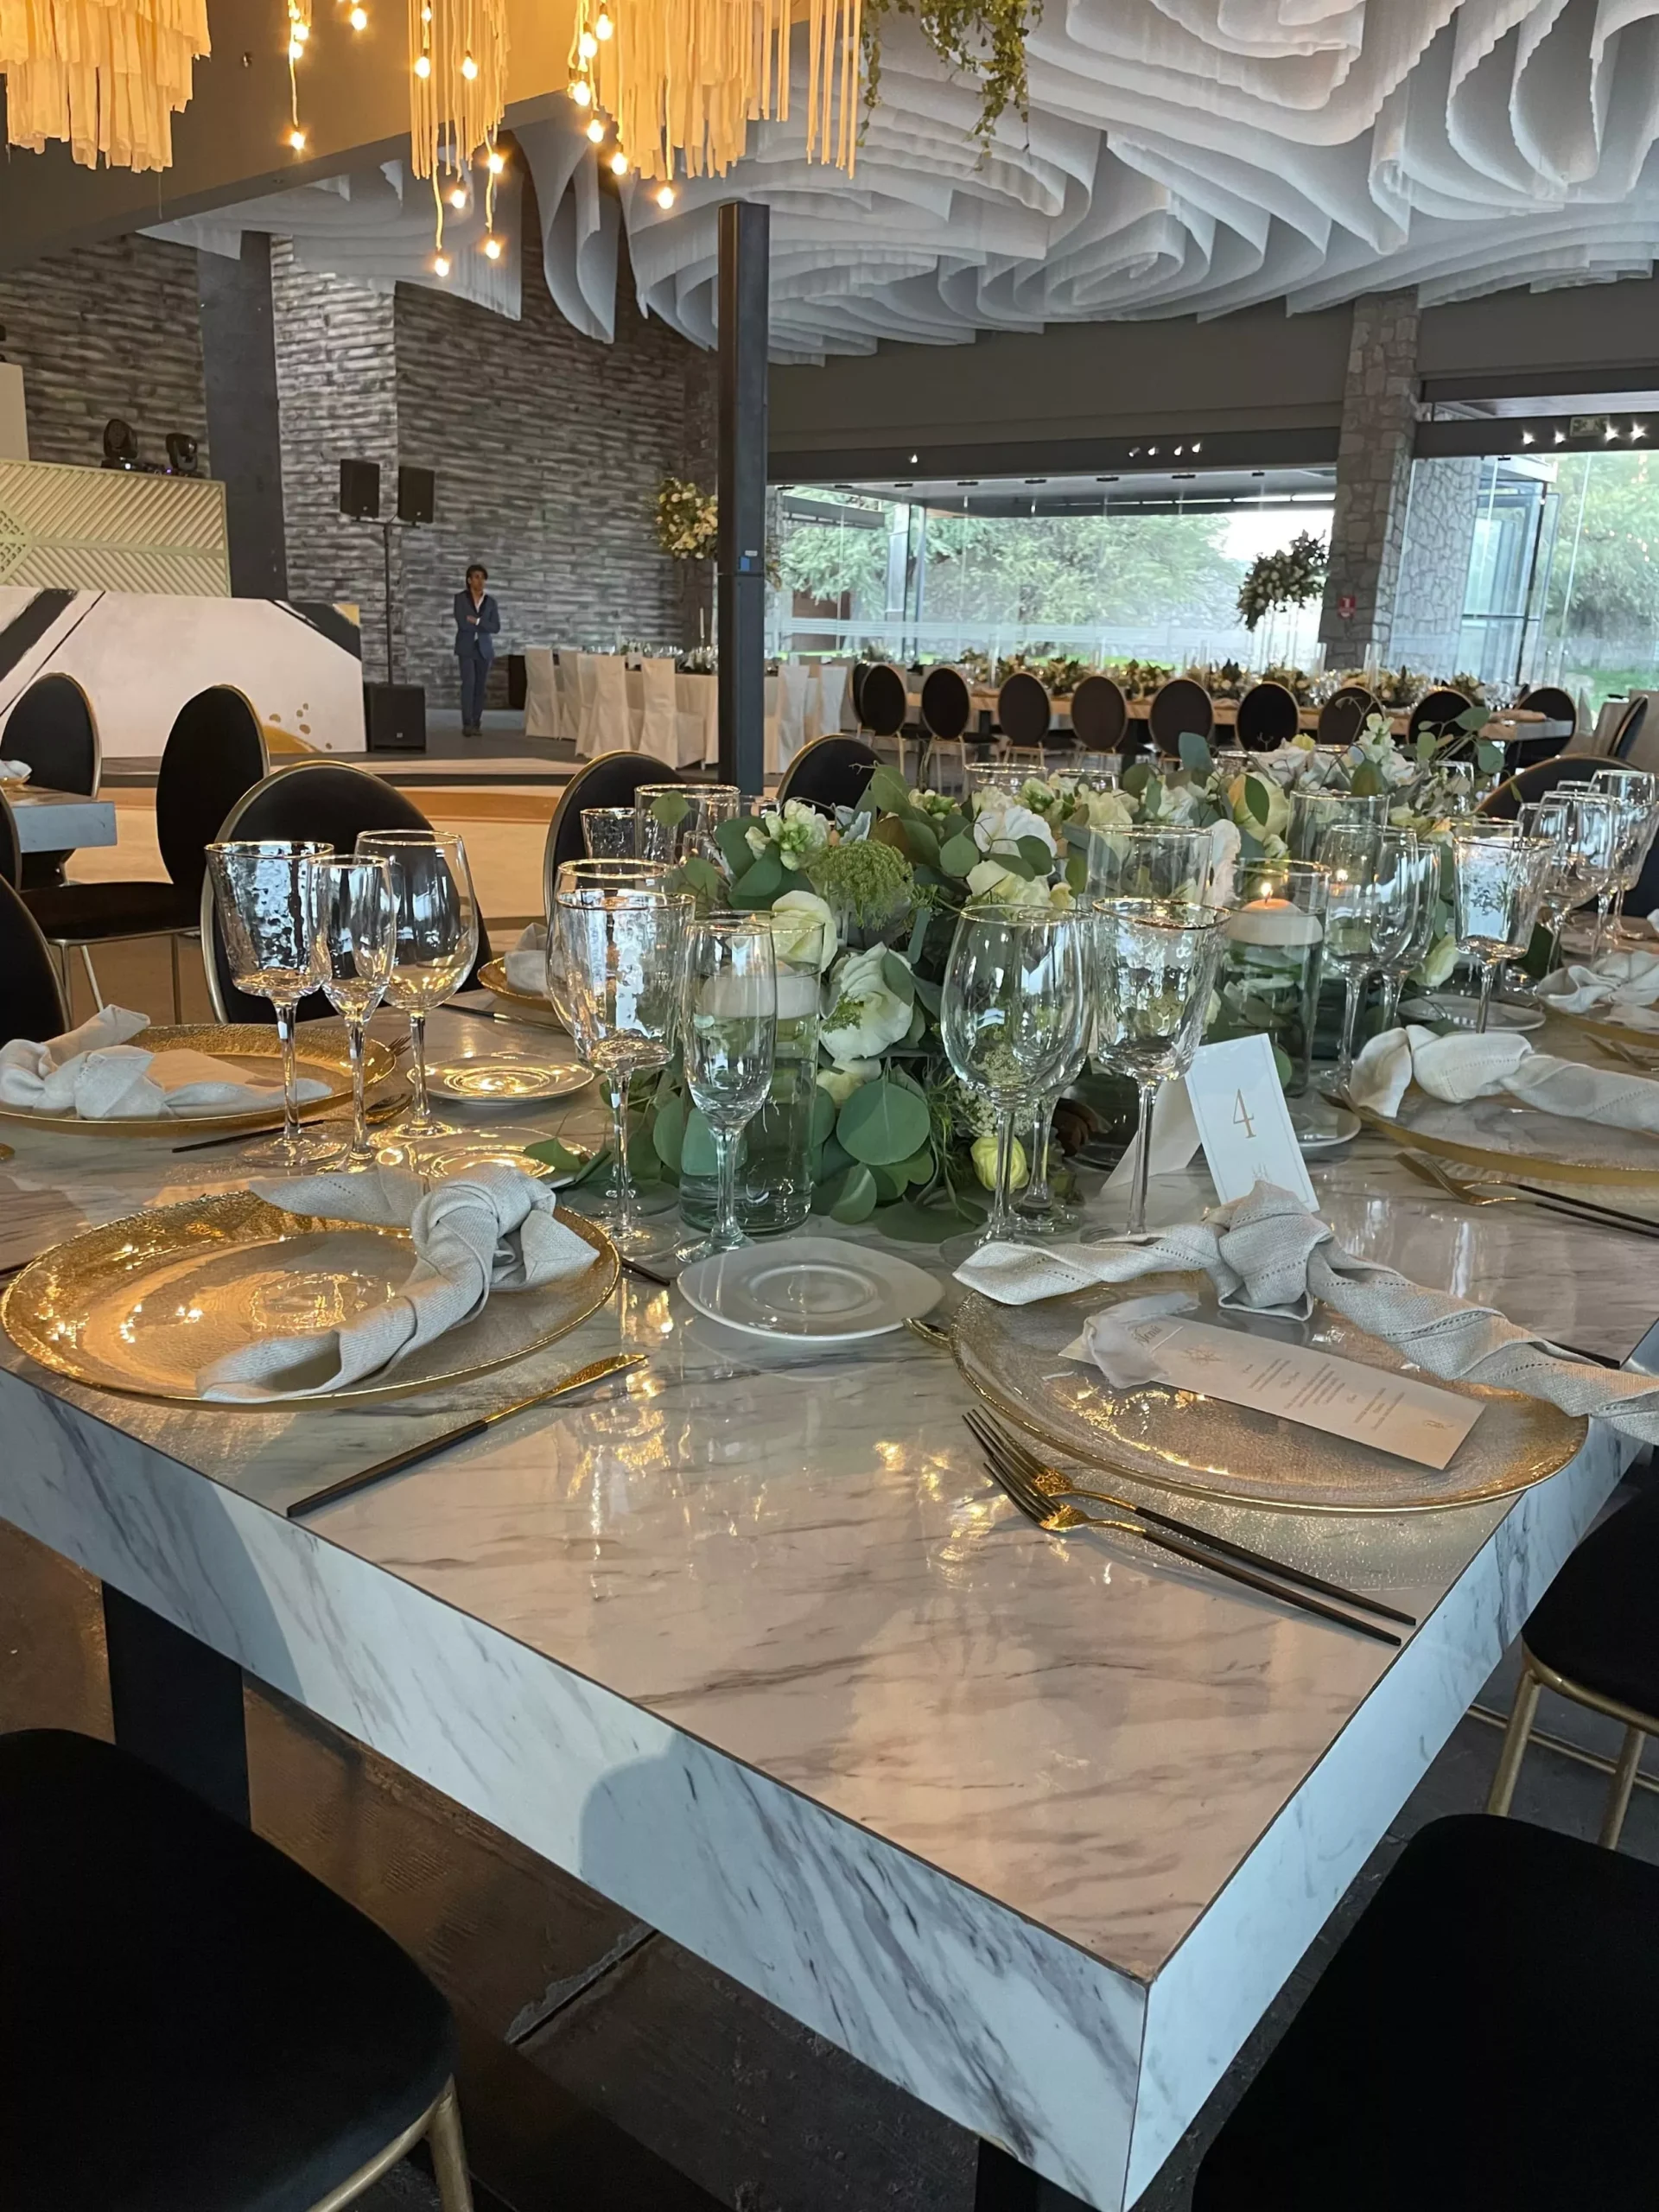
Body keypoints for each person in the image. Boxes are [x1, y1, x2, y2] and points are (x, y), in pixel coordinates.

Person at [453, 563, 499, 734]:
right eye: (477, 577)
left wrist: (478, 621)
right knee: (468, 684)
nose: (481, 581)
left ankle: (476, 722)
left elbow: (495, 627)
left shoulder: (491, 602)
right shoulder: (460, 599)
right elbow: (462, 623)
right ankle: (467, 723)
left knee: (480, 687)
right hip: (466, 647)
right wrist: (482, 625)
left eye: (483, 578)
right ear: (469, 580)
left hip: (484, 649)